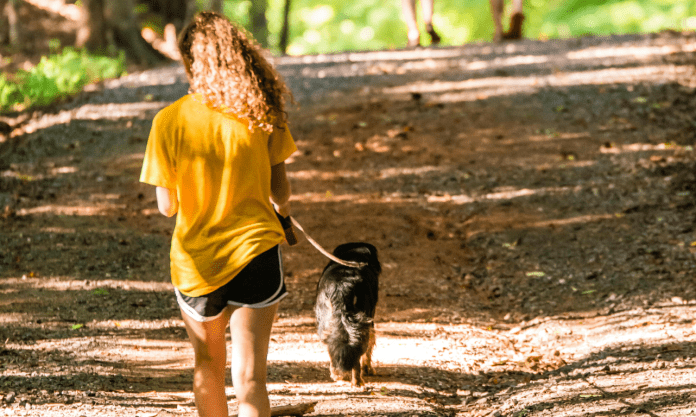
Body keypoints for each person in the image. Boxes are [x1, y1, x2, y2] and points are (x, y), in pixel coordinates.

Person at [139, 11, 296, 417]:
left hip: (198, 263)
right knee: (251, 379)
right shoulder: (261, 113)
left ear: (190, 61)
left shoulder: (168, 121)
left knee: (207, 367)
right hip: (256, 253)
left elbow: (167, 206)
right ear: (239, 56)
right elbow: (282, 194)